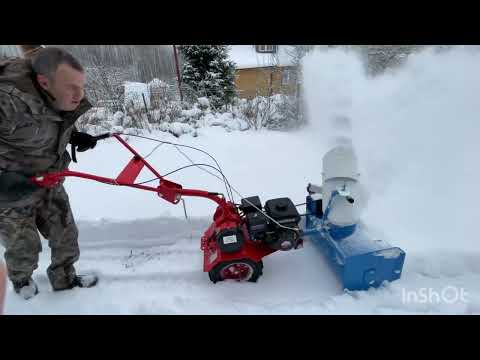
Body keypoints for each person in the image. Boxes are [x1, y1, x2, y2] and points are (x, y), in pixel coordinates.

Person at [0, 46, 99, 300]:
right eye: (72, 88)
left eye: (82, 86)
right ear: (44, 83)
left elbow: (53, 116)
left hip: (49, 179)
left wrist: (72, 134)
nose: (80, 95)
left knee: (65, 233)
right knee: (22, 245)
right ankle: (21, 281)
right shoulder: (7, 101)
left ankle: (64, 279)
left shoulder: (55, 90)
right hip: (12, 189)